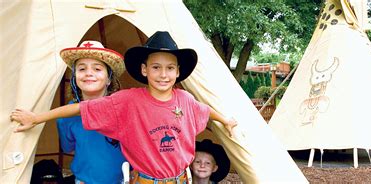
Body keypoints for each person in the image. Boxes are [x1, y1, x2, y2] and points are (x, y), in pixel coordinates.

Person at [10, 31, 237, 184]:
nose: (163, 74)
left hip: (180, 179)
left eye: (170, 68)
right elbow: (80, 108)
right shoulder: (128, 100)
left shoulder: (185, 99)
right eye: (156, 67)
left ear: (178, 72)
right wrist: (37, 118)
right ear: (144, 70)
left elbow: (204, 110)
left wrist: (225, 120)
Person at [58, 40, 127, 184]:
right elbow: (68, 148)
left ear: (109, 79)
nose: (89, 73)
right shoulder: (65, 116)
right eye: (82, 69)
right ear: (74, 78)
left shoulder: (124, 110)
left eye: (97, 69)